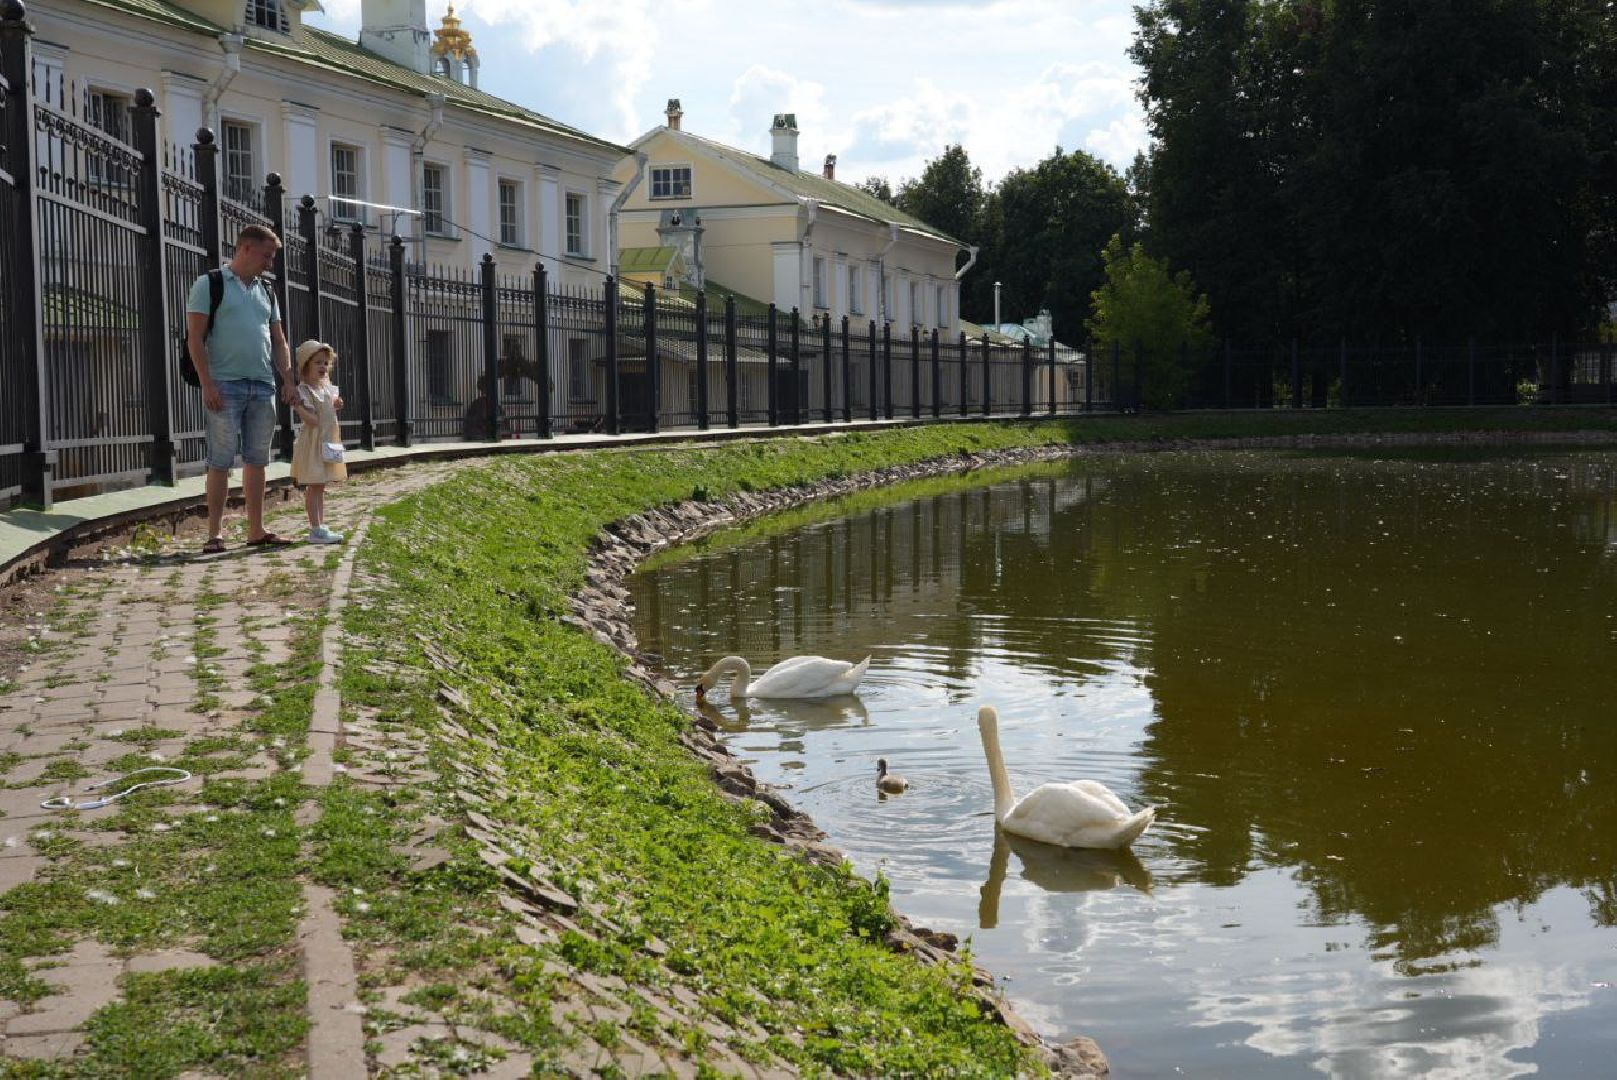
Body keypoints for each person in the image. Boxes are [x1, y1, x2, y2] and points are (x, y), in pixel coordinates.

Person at [185, 224, 300, 553]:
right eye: (267, 255)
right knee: (220, 461)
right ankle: (214, 534)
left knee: (257, 460)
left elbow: (278, 340)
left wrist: (288, 380)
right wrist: (207, 383)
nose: (270, 263)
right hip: (224, 385)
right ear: (246, 249)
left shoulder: (267, 291)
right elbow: (194, 338)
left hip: (262, 386)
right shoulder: (210, 284)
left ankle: (256, 530)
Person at [289, 340, 347, 544]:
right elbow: (313, 420)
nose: (323, 367)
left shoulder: (327, 388)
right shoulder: (305, 390)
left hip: (327, 441)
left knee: (320, 485)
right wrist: (298, 407)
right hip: (313, 444)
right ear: (306, 365)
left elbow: (329, 411)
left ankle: (320, 526)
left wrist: (337, 405)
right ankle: (315, 528)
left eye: (325, 363)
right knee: (314, 485)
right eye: (317, 363)